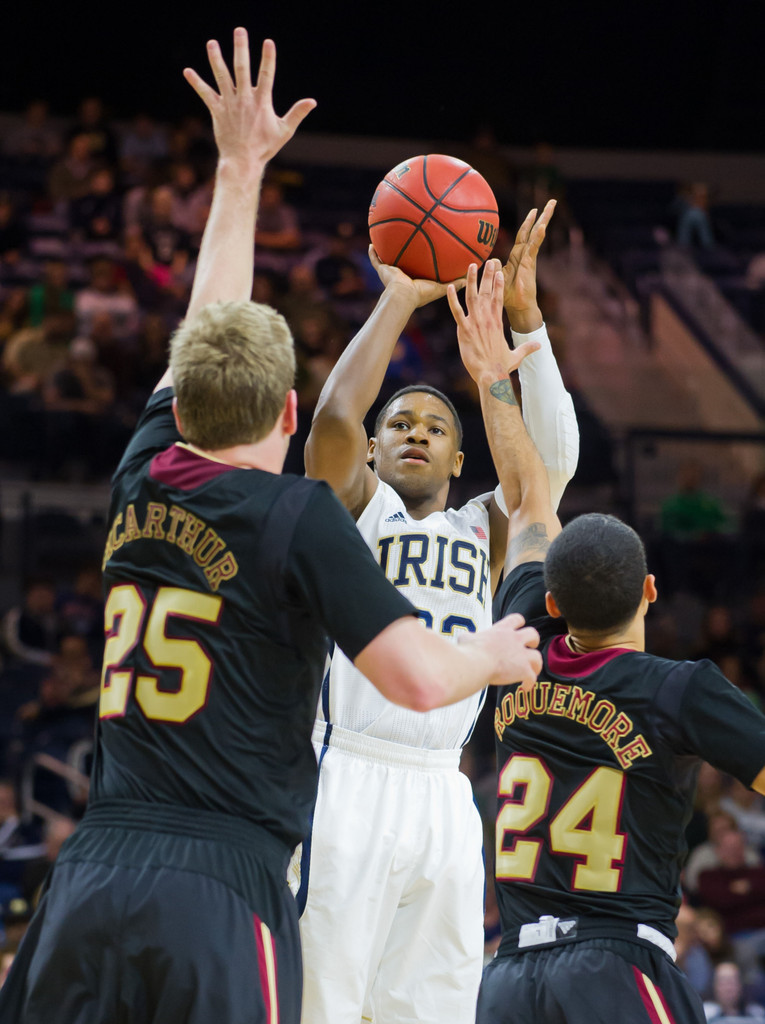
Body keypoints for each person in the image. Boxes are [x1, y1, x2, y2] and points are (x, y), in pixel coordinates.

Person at [0, 30, 542, 1024]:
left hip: (94, 865)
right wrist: (499, 655)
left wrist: (237, 166)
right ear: (290, 416)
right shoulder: (297, 514)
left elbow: (207, 322)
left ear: (182, 399)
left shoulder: (140, 473)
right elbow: (420, 675)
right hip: (222, 879)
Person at [444, 251, 765, 1024]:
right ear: (650, 590)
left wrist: (493, 379)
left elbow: (526, 508)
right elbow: (533, 506)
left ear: (552, 600)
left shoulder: (519, 638)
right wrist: (512, 347)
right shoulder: (678, 690)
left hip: (509, 979)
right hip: (616, 969)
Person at [294, 200, 578, 1024]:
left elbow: (543, 482)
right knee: (321, 1002)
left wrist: (514, 351)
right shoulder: (356, 509)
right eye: (399, 425)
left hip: (445, 793)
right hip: (344, 769)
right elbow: (332, 421)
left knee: (433, 1010)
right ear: (377, 451)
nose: (414, 433)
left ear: (460, 456)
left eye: (435, 427)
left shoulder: (477, 526)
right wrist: (398, 299)